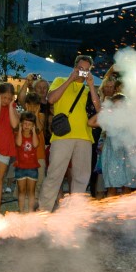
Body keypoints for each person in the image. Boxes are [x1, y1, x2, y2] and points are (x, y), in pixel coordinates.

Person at [37, 55, 100, 212]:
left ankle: (75, 213)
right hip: (62, 136)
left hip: (84, 137)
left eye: (86, 70)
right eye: (80, 68)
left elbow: (99, 109)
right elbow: (51, 99)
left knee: (81, 178)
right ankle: (44, 210)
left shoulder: (89, 90)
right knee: (54, 174)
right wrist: (70, 79)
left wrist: (92, 86)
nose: (83, 72)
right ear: (74, 67)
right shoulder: (60, 80)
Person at [0, 81, 19, 213]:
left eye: (9, 98)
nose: (6, 101)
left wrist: (11, 106)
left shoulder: (12, 108)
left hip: (5, 146)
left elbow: (14, 125)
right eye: (4, 97)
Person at [13, 110, 44, 213]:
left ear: (33, 126)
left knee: (31, 191)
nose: (27, 126)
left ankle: (30, 211)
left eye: (29, 124)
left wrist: (34, 131)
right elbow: (18, 143)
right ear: (21, 124)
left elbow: (35, 144)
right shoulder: (18, 134)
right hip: (20, 167)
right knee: (21, 191)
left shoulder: (34, 135)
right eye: (25, 123)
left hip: (32, 168)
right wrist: (20, 130)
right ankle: (21, 211)